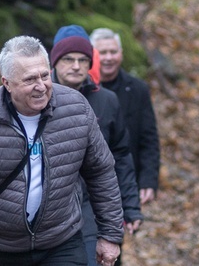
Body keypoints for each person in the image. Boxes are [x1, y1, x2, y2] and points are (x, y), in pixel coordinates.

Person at [0, 36, 123, 266]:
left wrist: (110, 233)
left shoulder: (76, 108)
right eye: (30, 79)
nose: (41, 86)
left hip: (61, 241)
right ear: (7, 83)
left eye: (45, 76)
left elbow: (101, 171)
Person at [50, 25, 143, 266]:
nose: (76, 66)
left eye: (83, 59)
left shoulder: (106, 101)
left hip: (92, 206)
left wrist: (131, 206)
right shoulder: (37, 97)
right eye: (68, 59)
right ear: (54, 61)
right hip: (49, 212)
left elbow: (121, 156)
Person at [89, 27, 160, 205]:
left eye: (113, 52)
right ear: (92, 55)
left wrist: (148, 180)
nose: (108, 58)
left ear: (121, 53)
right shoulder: (81, 91)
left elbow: (149, 138)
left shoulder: (138, 89)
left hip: (125, 179)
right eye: (102, 52)